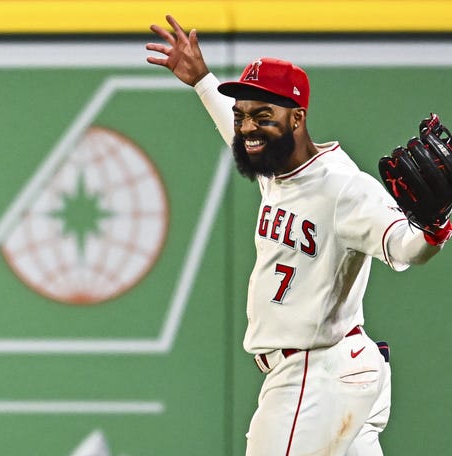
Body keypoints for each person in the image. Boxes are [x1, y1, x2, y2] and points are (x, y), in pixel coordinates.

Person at [146, 15, 451, 456]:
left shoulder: (344, 187)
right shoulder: (278, 168)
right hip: (342, 371)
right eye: (242, 115)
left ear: (297, 118)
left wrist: (436, 228)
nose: (248, 127)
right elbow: (240, 134)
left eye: (262, 116)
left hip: (314, 376)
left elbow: (405, 248)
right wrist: (201, 80)